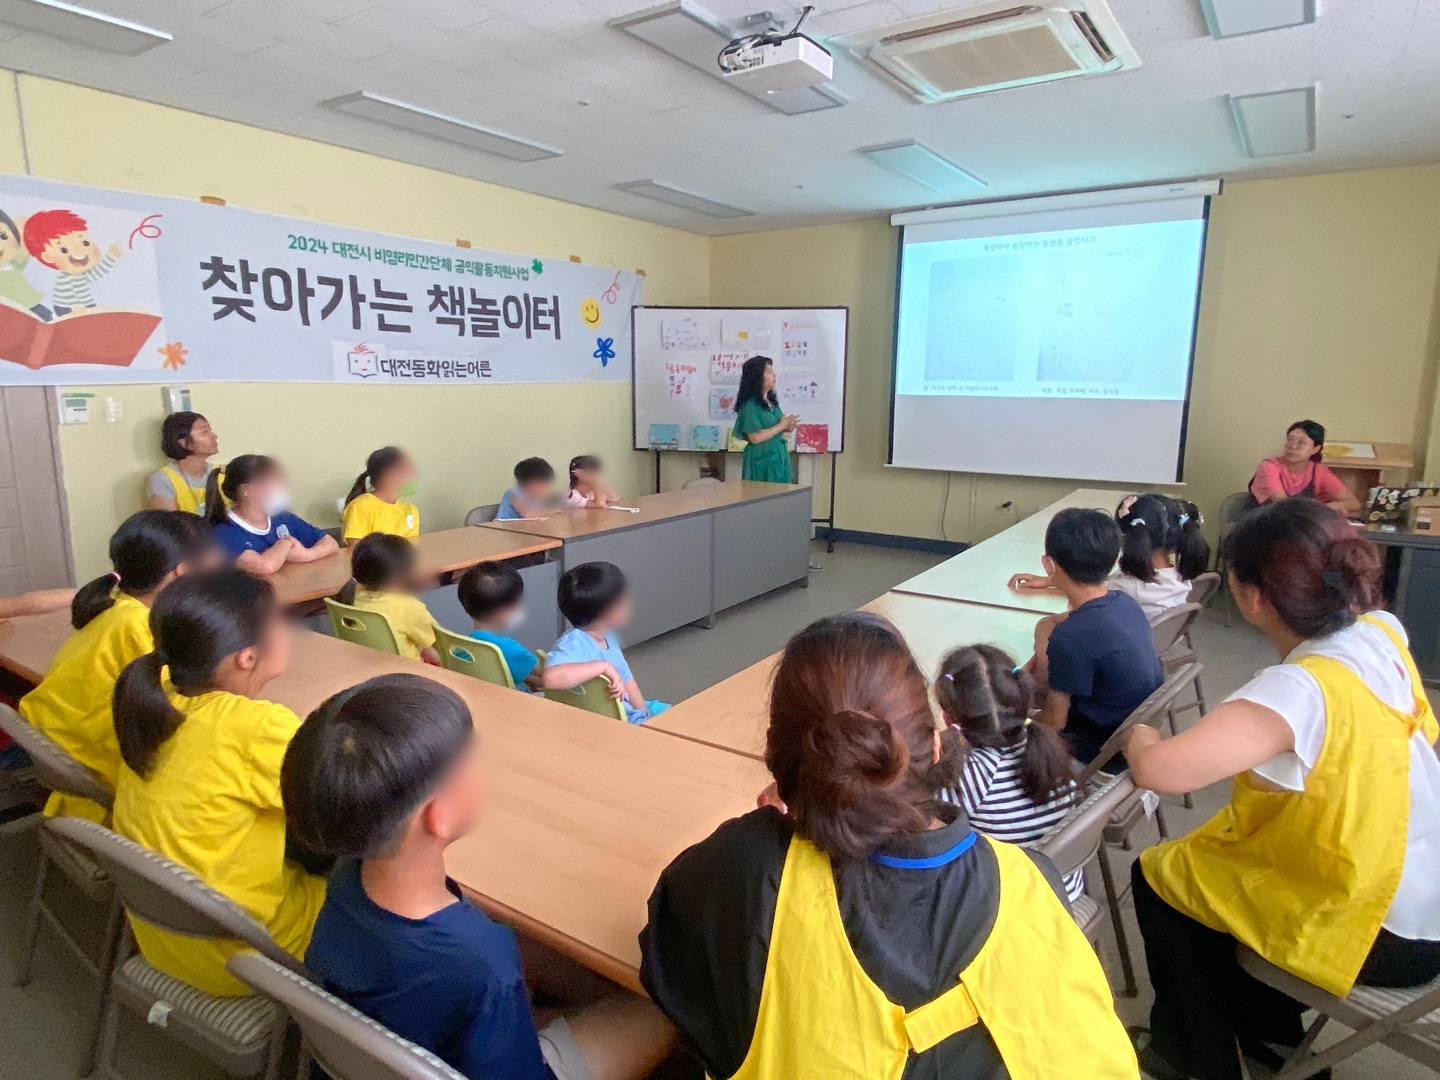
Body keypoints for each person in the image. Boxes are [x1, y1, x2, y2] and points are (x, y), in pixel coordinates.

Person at [639, 612, 1135, 1079]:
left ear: (775, 756)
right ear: (936, 746)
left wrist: (780, 831)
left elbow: (675, 968)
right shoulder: (1031, 878)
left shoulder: (746, 868)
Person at [1123, 499, 1440, 1080]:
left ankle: (1197, 1059)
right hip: (1423, 887)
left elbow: (1161, 772)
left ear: (1254, 599)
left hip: (1379, 927)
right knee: (1220, 866)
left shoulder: (1299, 689)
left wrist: (1139, 732)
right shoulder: (1381, 632)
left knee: (1160, 875)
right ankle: (1270, 1041)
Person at [284, 674, 677, 1080]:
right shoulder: (482, 960)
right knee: (666, 1004)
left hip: (400, 1029)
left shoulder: (346, 874)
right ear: (440, 815)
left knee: (538, 948)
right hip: (495, 1063)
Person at [111, 568, 326, 996]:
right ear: (246, 657)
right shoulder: (255, 728)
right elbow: (349, 807)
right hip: (247, 959)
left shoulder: (156, 704)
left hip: (165, 940)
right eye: (279, 618)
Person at [18, 511, 218, 823]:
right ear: (182, 572)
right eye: (212, 556)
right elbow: (182, 703)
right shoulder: (136, 624)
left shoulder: (114, 602)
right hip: (91, 757)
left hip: (61, 741)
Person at [935, 643, 1084, 902]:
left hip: (1019, 903)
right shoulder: (1048, 746)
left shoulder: (970, 774)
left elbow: (928, 836)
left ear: (948, 720)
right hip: (1065, 886)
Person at [1026, 508, 1162, 766]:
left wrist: (1021, 722)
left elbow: (1054, 722)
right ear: (1114, 560)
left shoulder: (1070, 638)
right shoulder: (1125, 603)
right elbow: (1063, 622)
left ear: (1048, 565)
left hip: (1092, 756)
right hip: (1129, 737)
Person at [1009, 493, 1210, 617]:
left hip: (1118, 656)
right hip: (1154, 647)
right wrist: (1049, 580)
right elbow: (1093, 587)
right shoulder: (1179, 576)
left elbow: (1087, 591)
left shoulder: (1127, 587)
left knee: (1048, 626)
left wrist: (1054, 579)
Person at [542, 562, 669, 724]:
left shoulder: (608, 636)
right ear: (609, 612)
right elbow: (551, 678)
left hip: (628, 709)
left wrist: (645, 712)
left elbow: (627, 680)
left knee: (676, 713)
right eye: (624, 601)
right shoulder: (574, 642)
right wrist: (603, 666)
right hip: (613, 719)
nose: (630, 604)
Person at [207, 454, 338, 575]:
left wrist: (308, 555)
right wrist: (285, 543)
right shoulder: (224, 530)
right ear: (250, 489)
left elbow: (330, 542)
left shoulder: (282, 518)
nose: (283, 488)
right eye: (277, 482)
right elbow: (264, 566)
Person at [335, 533, 440, 663]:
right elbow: (440, 643)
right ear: (399, 575)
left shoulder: (348, 596)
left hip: (366, 666)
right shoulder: (407, 606)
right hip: (407, 671)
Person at [1247, 419, 1360, 516]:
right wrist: (1320, 508)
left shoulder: (1318, 472)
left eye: (1301, 442)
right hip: (1262, 525)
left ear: (1315, 449)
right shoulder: (1269, 466)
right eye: (1290, 439)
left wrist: (1333, 506)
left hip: (1296, 525)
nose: (1293, 446)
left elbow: (1354, 503)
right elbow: (1283, 506)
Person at [457, 561, 541, 690]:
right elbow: (545, 676)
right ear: (503, 613)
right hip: (515, 700)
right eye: (516, 603)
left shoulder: (461, 645)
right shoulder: (508, 649)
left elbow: (525, 674)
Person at [732, 356, 797, 484]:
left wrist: (787, 427)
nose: (774, 374)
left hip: (778, 456)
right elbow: (755, 437)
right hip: (761, 459)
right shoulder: (750, 405)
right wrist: (781, 425)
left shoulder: (772, 402)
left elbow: (776, 427)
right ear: (757, 376)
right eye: (768, 371)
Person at [341, 446, 421, 543]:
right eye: (408, 468)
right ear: (389, 474)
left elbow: (412, 546)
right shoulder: (360, 506)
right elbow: (355, 547)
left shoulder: (411, 510)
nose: (414, 473)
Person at [147, 411, 220, 516]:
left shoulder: (222, 472)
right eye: (204, 432)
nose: (214, 436)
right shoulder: (163, 479)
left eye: (210, 430)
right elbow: (169, 524)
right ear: (183, 442)